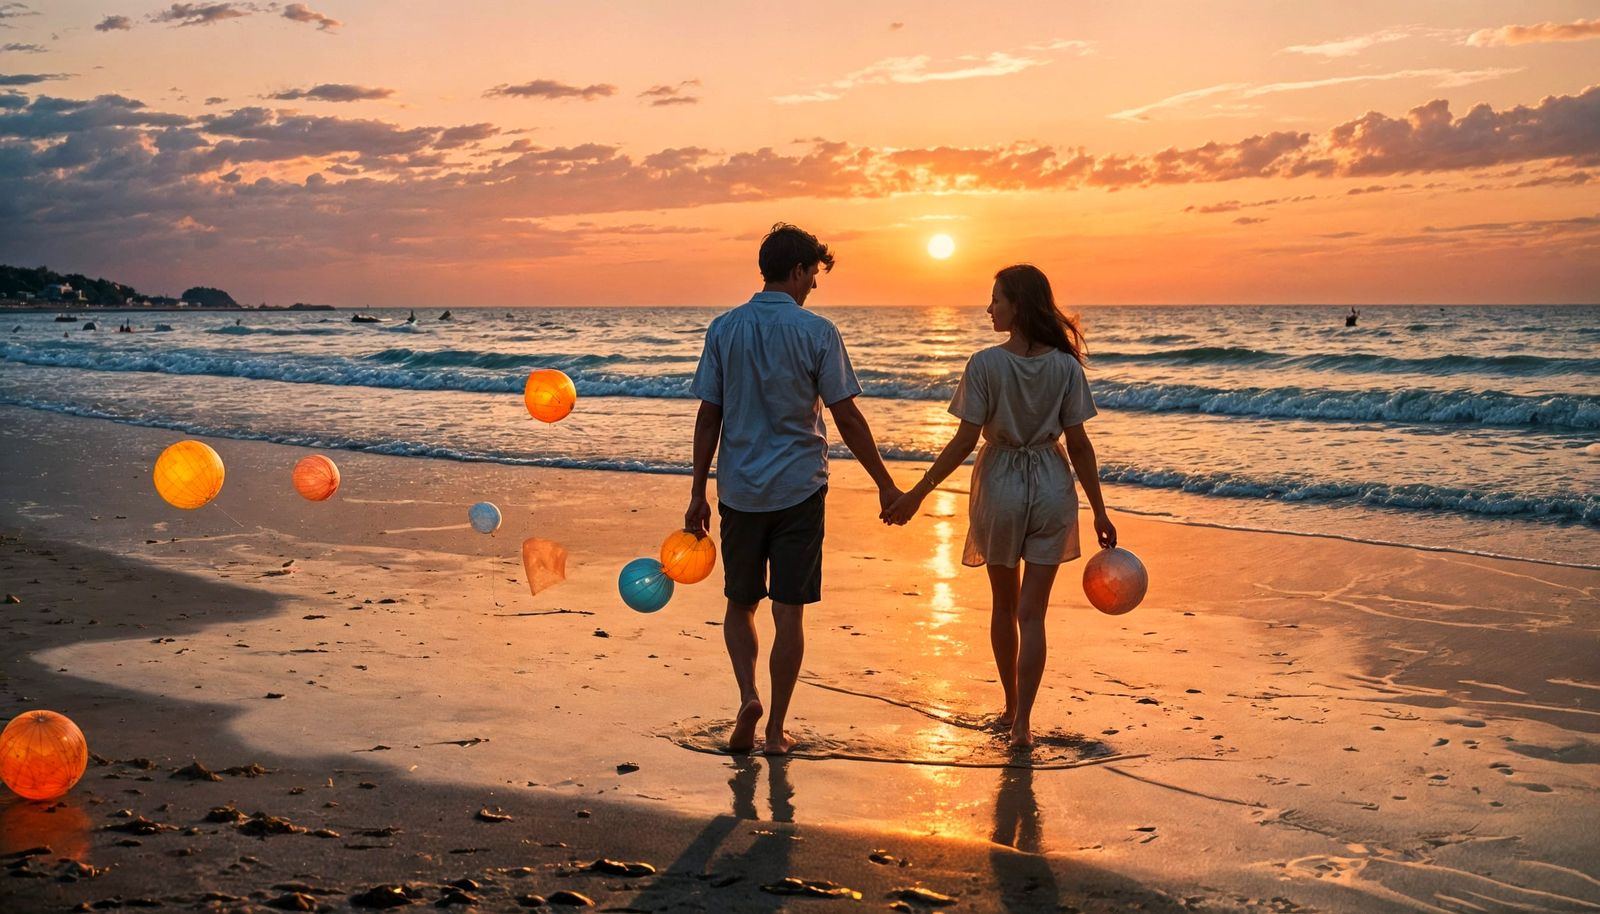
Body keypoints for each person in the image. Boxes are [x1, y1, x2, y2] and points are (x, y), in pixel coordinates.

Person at [685, 223, 901, 756]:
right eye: (813, 275)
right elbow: (846, 416)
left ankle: (747, 697)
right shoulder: (817, 332)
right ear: (798, 271)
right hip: (799, 489)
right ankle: (776, 729)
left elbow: (709, 416)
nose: (814, 286)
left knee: (740, 603)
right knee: (789, 611)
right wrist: (885, 483)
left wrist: (697, 492)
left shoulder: (724, 329)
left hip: (739, 490)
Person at [882, 263, 1114, 749]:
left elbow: (965, 440)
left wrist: (917, 492)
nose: (989, 308)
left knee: (1005, 606)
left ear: (1018, 305)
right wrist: (1099, 510)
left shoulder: (985, 364)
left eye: (996, 300)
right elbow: (1079, 444)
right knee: (1033, 615)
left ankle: (1010, 709)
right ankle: (1024, 722)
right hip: (1052, 484)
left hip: (1001, 483)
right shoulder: (1066, 366)